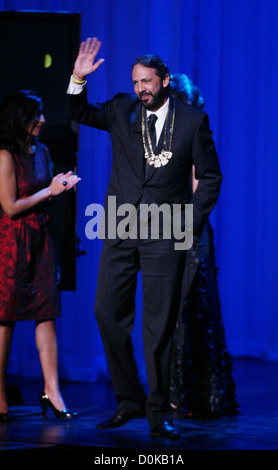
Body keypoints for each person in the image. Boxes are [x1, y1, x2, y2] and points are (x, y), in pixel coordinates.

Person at [66, 37, 222, 438]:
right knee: (105, 311)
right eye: (136, 82)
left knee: (158, 326)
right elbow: (80, 110)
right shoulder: (121, 110)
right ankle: (129, 400)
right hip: (120, 227)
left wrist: (188, 222)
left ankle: (157, 412)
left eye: (148, 82)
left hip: (165, 232)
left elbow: (210, 178)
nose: (141, 89)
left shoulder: (191, 121)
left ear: (165, 81)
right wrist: (78, 78)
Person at [0, 90, 80, 423]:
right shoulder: (6, 156)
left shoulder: (43, 151)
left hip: (41, 239)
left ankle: (53, 391)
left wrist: (59, 186)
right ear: (22, 118)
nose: (43, 120)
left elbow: (45, 196)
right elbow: (9, 207)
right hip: (12, 242)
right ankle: (0, 394)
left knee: (46, 314)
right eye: (37, 114)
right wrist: (49, 190)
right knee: (5, 318)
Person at [169, 74, 239, 417]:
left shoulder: (194, 138)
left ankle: (185, 393)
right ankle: (187, 392)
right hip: (179, 229)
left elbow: (200, 190)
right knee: (182, 311)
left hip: (190, 232)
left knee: (188, 310)